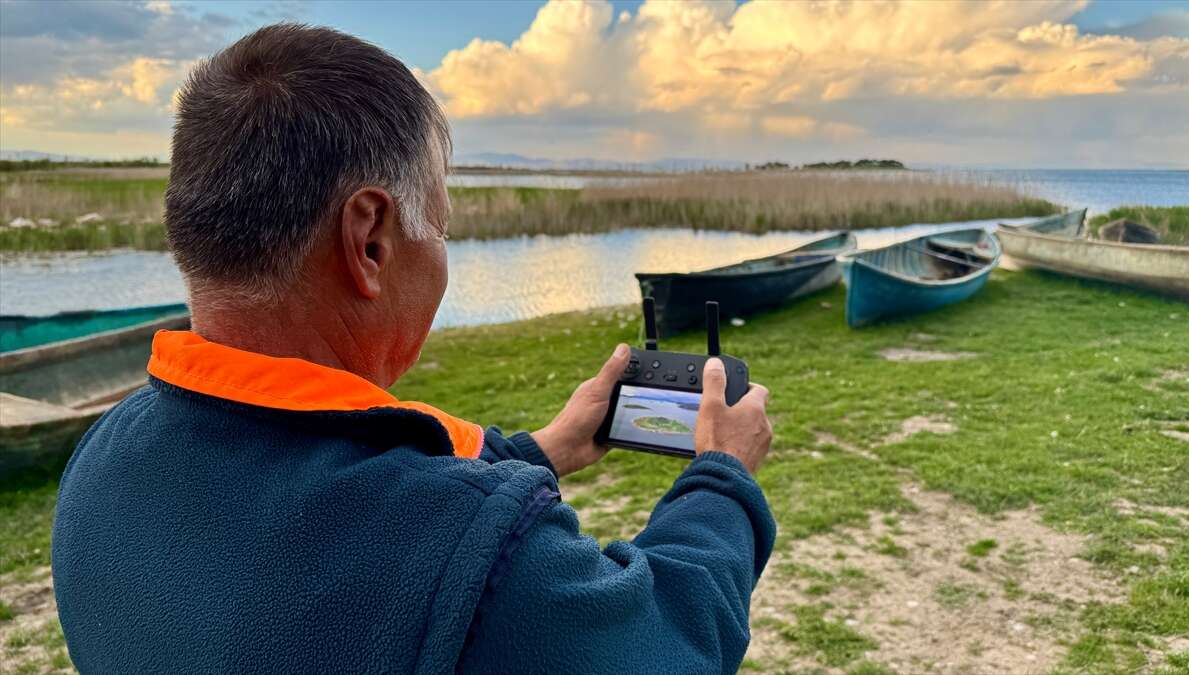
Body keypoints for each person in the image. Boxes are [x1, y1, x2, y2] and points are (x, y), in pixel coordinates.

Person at [52, 24, 774, 674]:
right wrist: (721, 476)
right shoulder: (477, 561)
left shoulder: (101, 464)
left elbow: (343, 478)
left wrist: (543, 449)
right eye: (443, 225)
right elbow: (672, 640)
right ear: (369, 239)